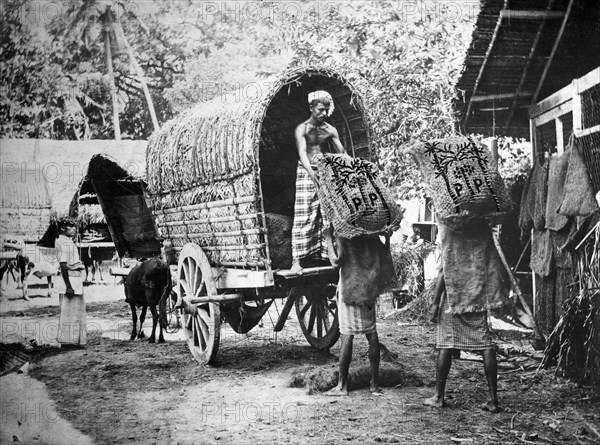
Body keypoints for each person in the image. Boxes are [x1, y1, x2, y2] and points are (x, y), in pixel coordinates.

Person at [424, 221, 510, 413]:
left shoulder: (449, 228)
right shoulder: (482, 227)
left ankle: (439, 396)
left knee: (445, 344)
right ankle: (493, 400)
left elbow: (443, 271)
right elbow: (492, 263)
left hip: (454, 295)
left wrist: (435, 302)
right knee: (485, 344)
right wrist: (494, 296)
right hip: (477, 294)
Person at [326, 234, 395, 396]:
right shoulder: (372, 235)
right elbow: (384, 253)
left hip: (350, 290)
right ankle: (374, 384)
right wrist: (387, 238)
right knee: (371, 333)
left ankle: (342, 385)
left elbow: (336, 261)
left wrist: (328, 237)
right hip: (368, 290)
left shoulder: (345, 235)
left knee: (347, 335)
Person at [291, 90, 346, 275]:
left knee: (328, 213)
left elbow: (342, 153)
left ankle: (328, 255)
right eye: (321, 109)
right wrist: (310, 172)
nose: (324, 113)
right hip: (306, 172)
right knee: (304, 213)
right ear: (311, 108)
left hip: (325, 170)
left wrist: (352, 166)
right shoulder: (302, 129)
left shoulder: (329, 129)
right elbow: (302, 153)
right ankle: (296, 260)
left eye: (326, 110)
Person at [55, 217, 87, 348]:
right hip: (69, 281)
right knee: (69, 311)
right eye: (71, 227)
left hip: (75, 279)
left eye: (74, 227)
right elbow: (63, 265)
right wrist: (68, 286)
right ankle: (68, 342)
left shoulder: (67, 241)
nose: (74, 229)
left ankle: (74, 340)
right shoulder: (63, 242)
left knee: (76, 310)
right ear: (63, 228)